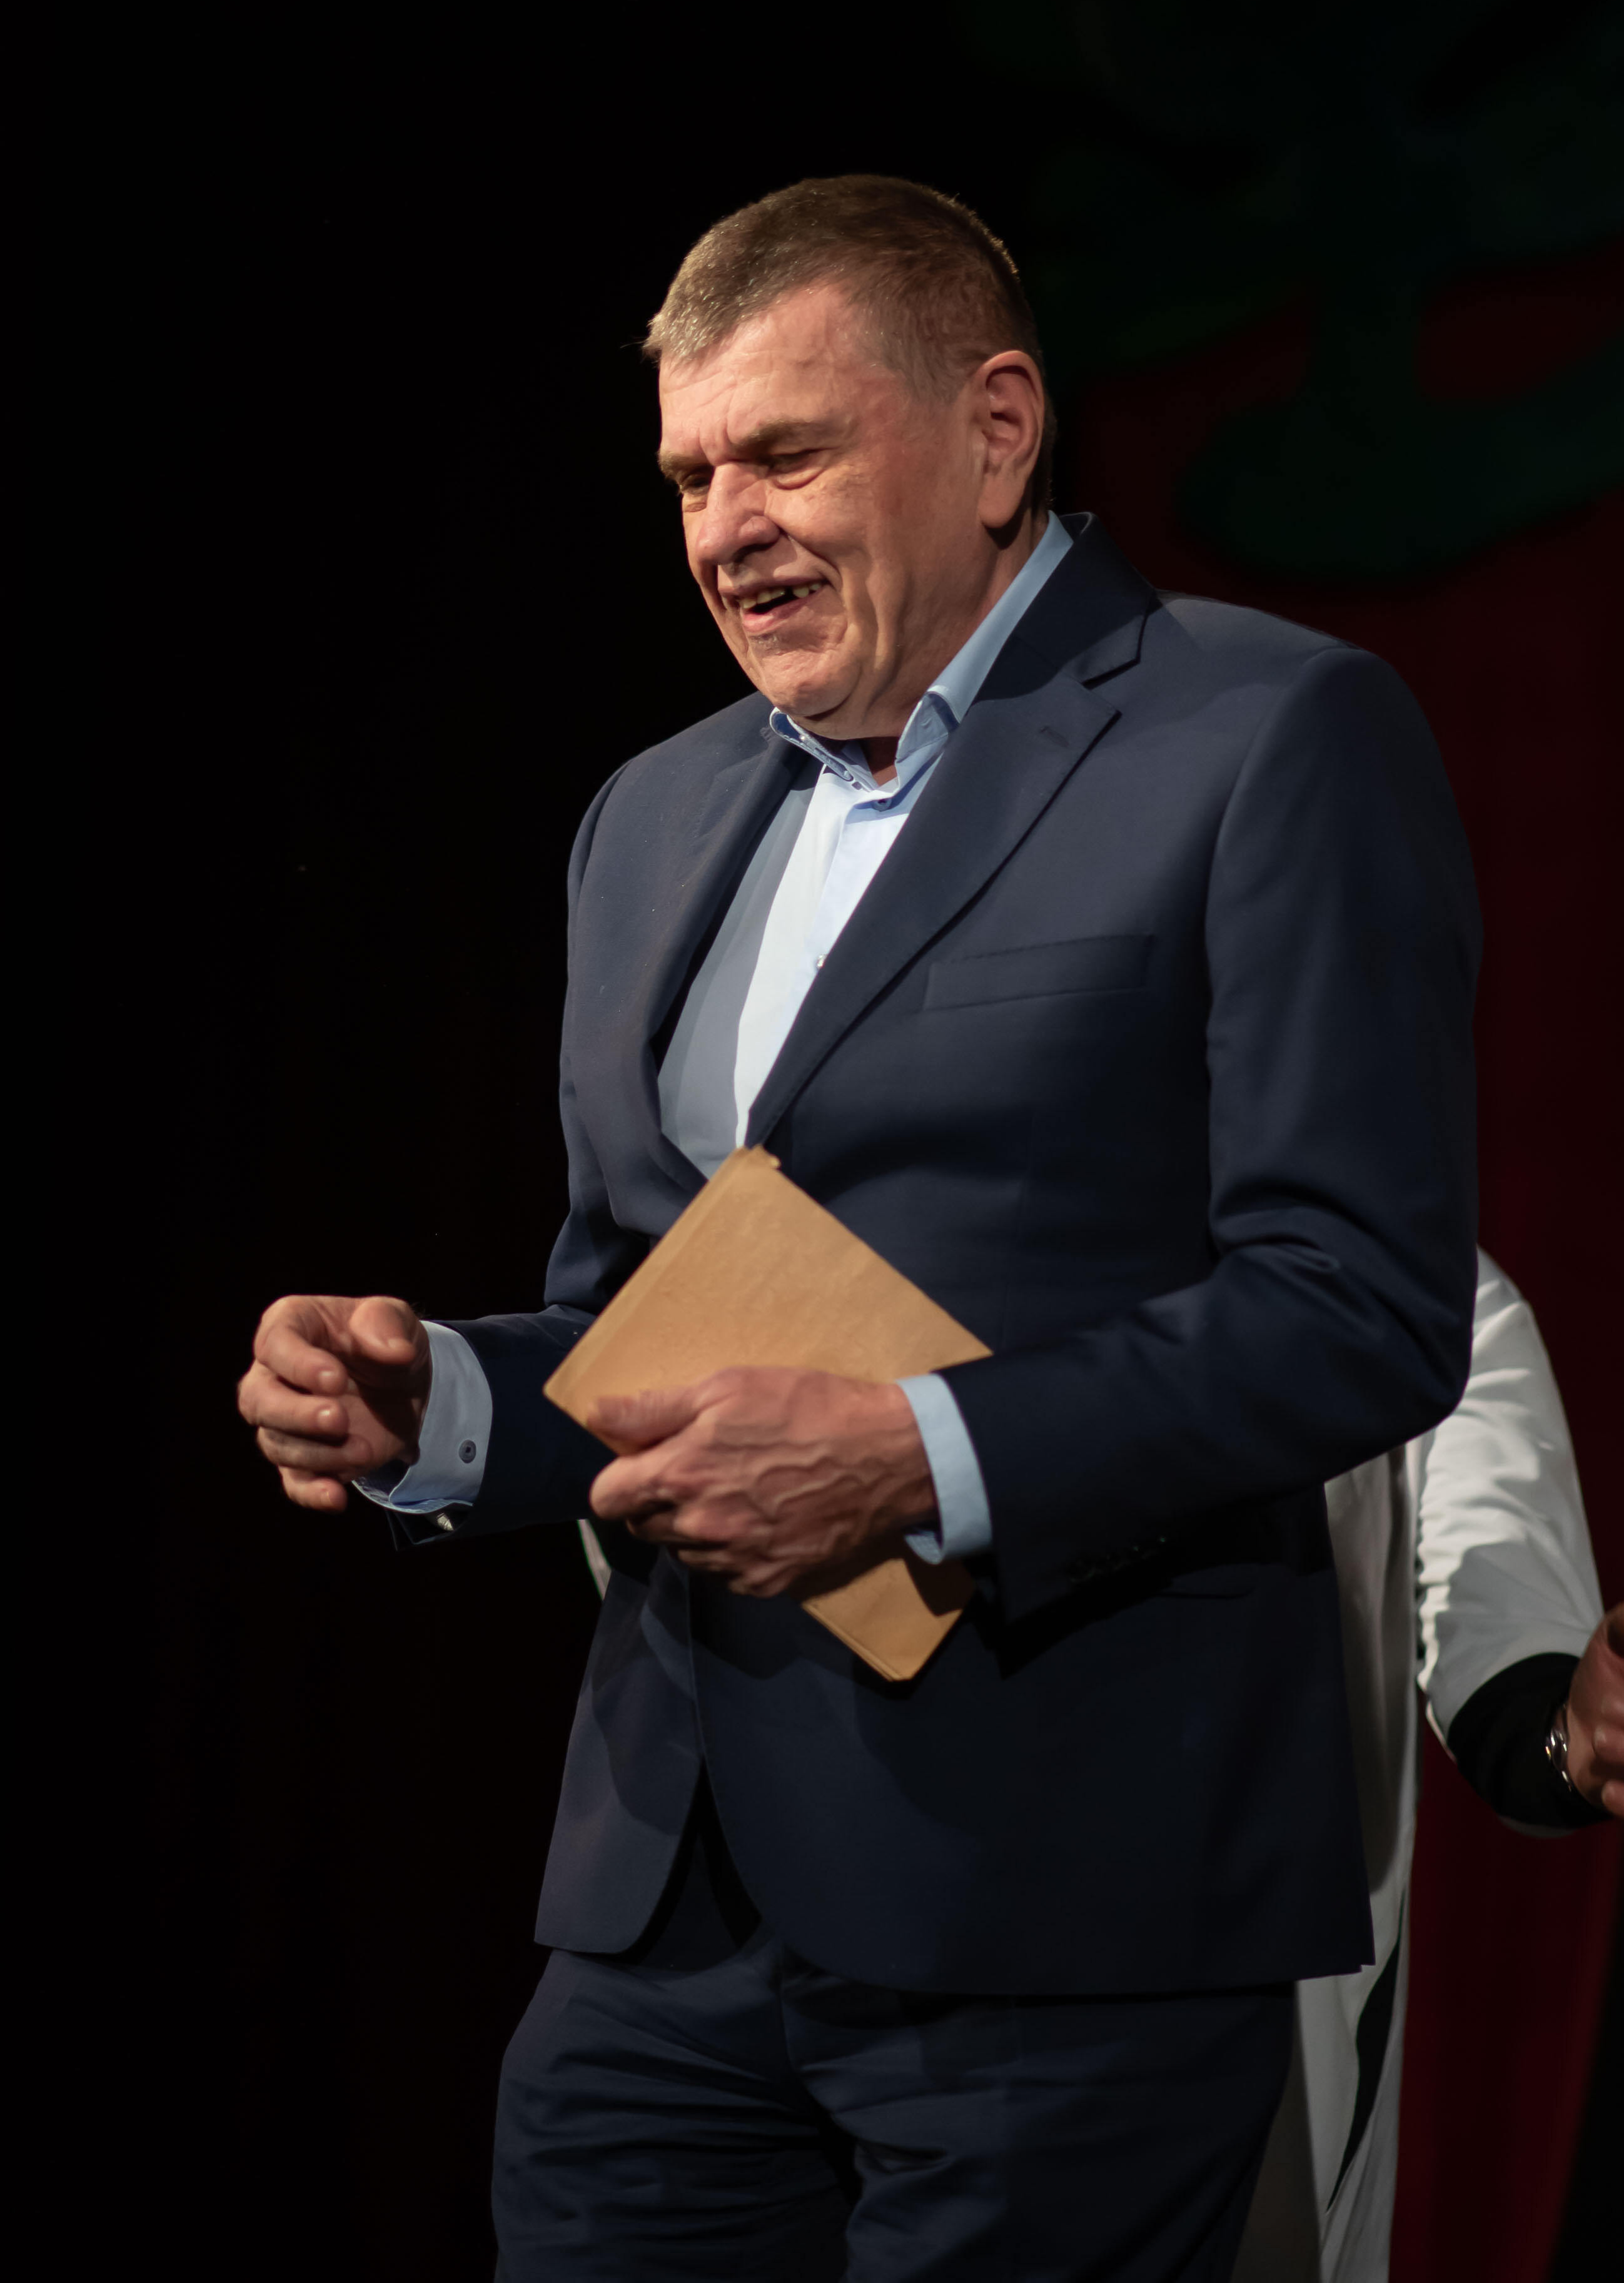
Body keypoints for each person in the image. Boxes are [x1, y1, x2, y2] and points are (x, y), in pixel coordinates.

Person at [237, 176, 1483, 2280]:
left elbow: (1353, 1306)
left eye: (788, 454)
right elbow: (636, 1320)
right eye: (690, 476)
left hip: (1065, 1903)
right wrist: (432, 1404)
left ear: (996, 432)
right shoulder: (649, 815)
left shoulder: (1267, 734)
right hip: (664, 1905)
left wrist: (920, 1457)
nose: (727, 527)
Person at [1234, 1252, 1624, 2282]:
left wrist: (1574, 1737)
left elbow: (1507, 1649)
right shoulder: (952, 1220)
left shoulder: (1425, 1284)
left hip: (1263, 2081)